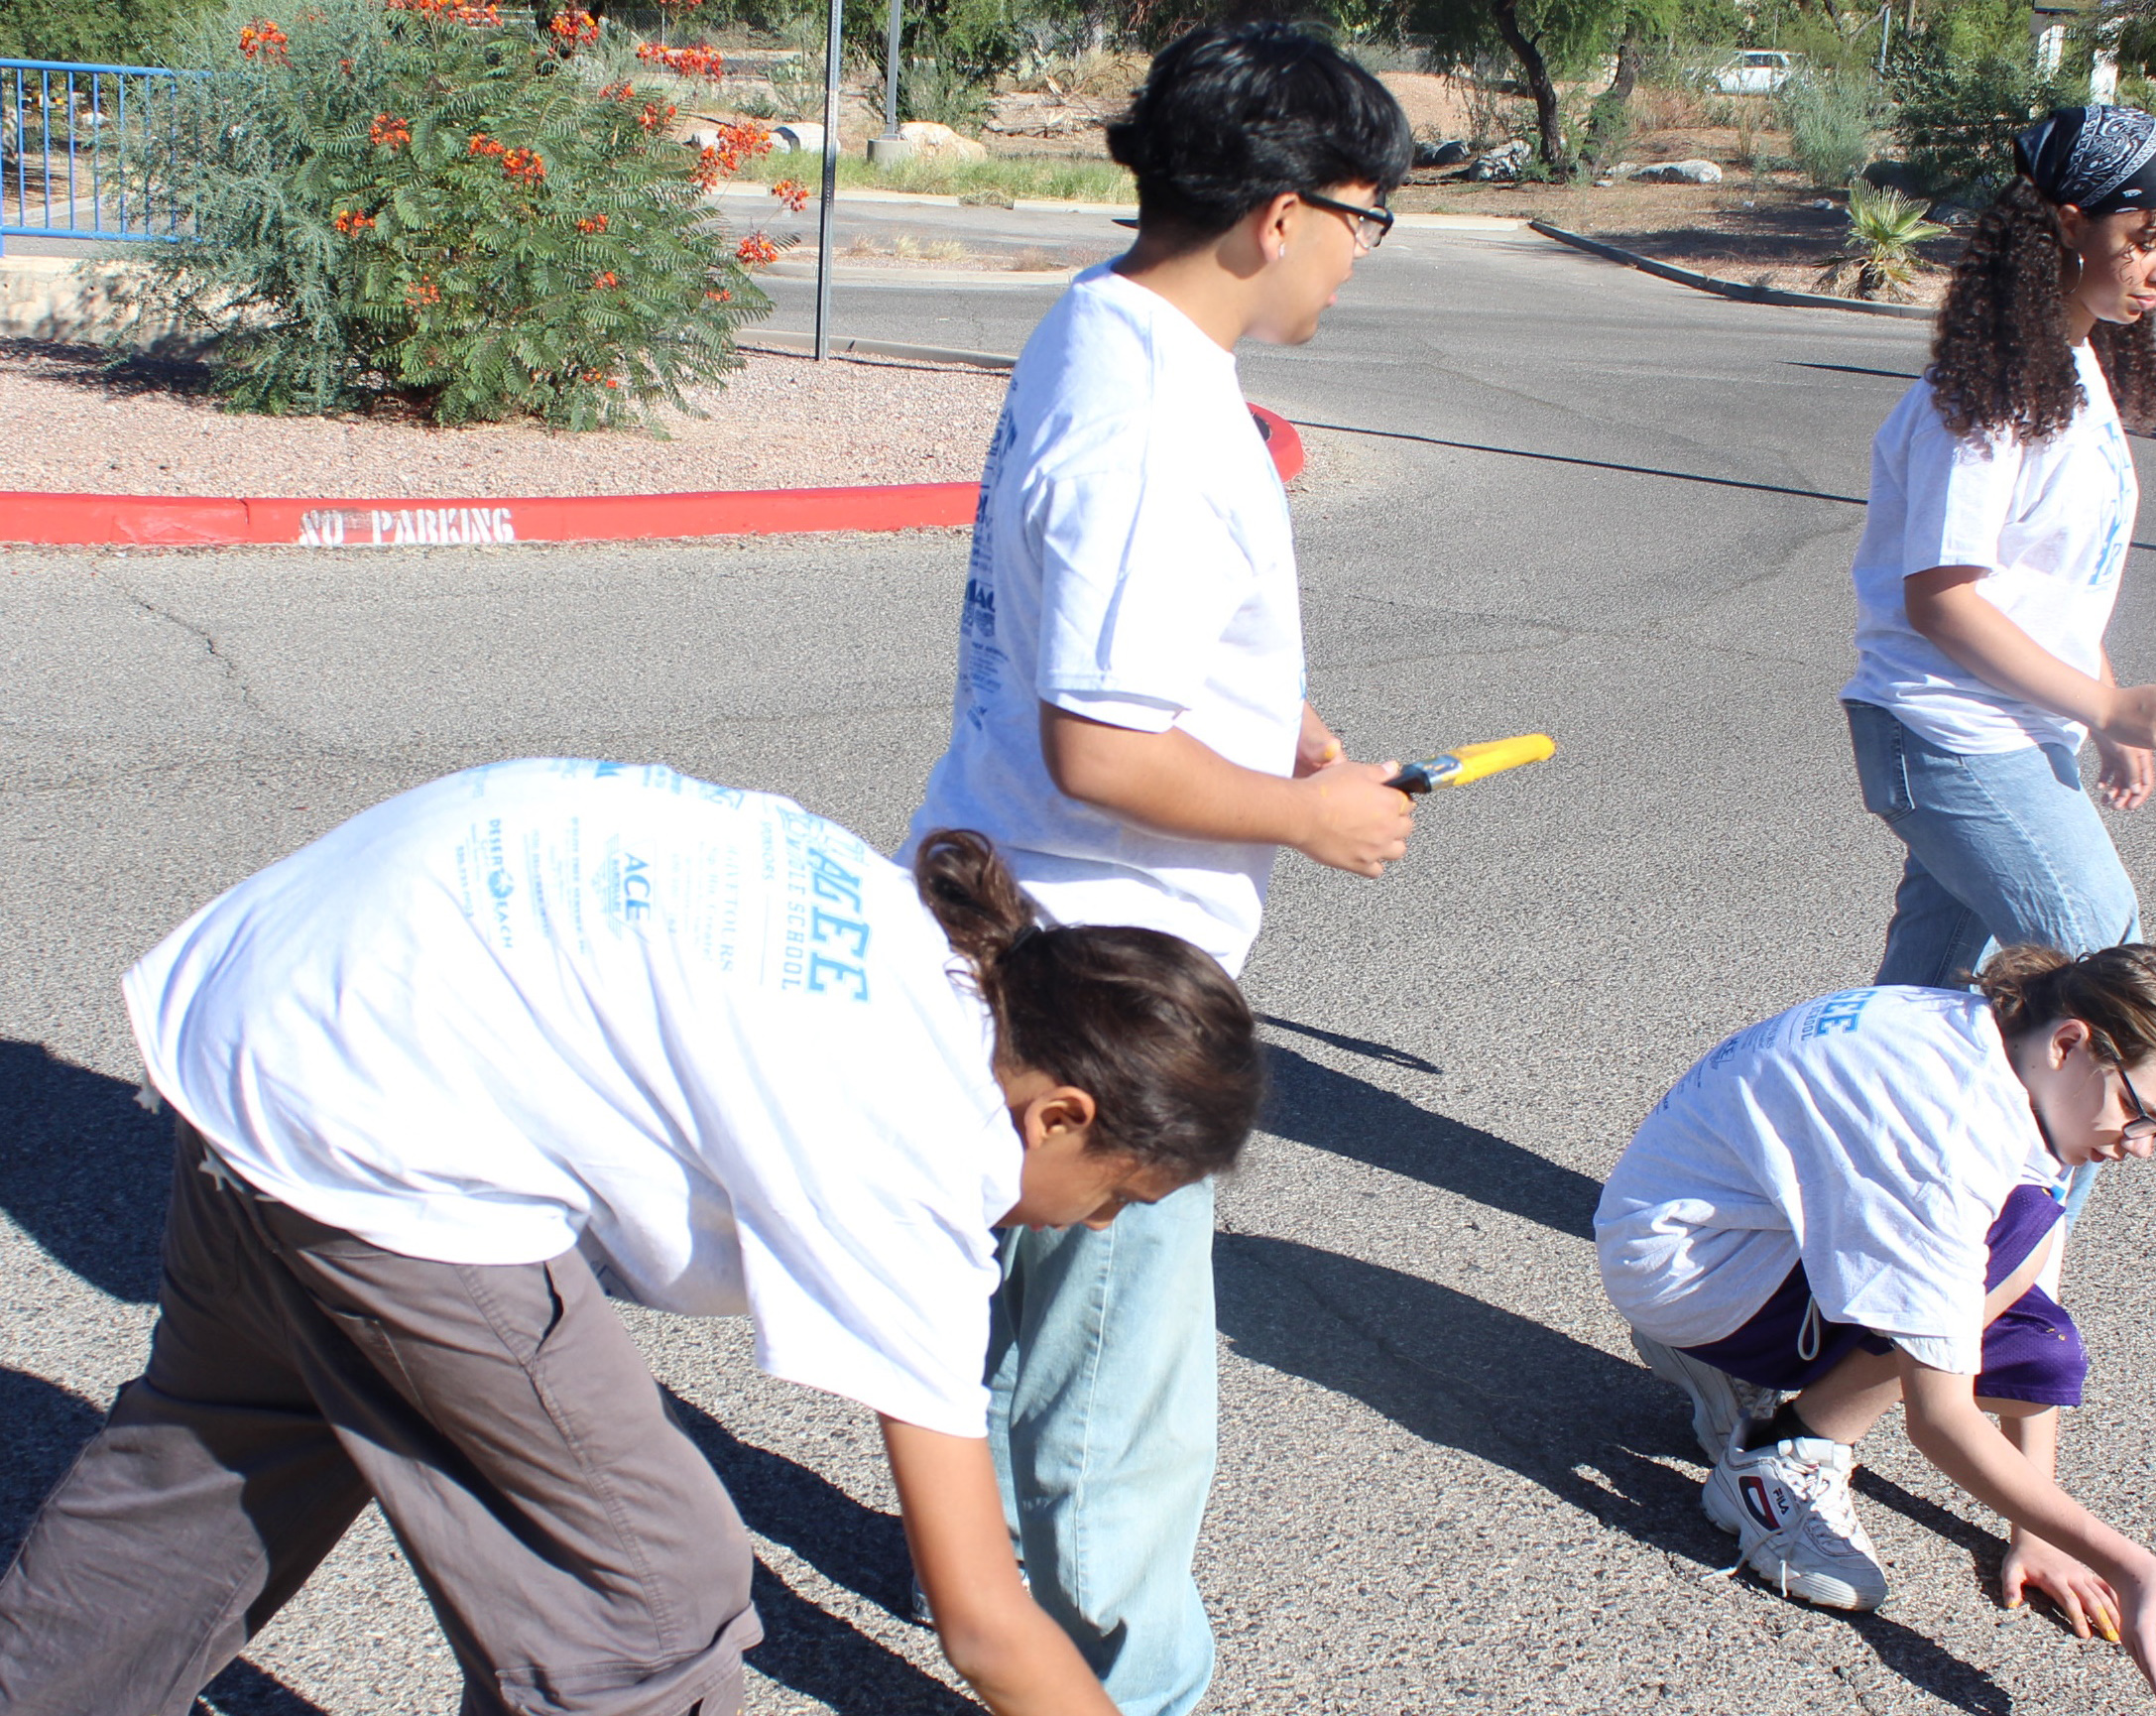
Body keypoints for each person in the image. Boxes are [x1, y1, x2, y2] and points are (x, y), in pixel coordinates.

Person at [0, 759, 1264, 1716]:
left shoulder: (943, 949)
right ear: (1061, 1112)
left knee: (222, 1454)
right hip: (381, 1117)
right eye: (1116, 1195)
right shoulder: (922, 1141)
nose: (1097, 1222)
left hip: (276, 1007)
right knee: (651, 1597)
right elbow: (984, 1618)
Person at [899, 24, 1414, 1715]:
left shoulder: (1106, 329)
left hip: (1039, 908)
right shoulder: (1151, 429)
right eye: (1366, 218)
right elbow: (1103, 752)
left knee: (1035, 1328)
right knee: (1117, 1388)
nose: (1363, 253)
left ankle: (1002, 1593)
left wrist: (1268, 716)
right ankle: (1128, 1685)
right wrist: (1308, 819)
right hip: (1105, 966)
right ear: (1278, 213)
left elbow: (1114, 658)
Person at [1598, 943, 2156, 1705]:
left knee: (2026, 1296)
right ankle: (1773, 1456)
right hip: (1687, 1271)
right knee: (1976, 1280)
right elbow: (1940, 1419)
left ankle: (1725, 1366)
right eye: (2140, 1114)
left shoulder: (2002, 1045)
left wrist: (2039, 1527)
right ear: (2071, 1043)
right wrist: (2130, 1564)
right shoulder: (1948, 1134)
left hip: (1715, 1230)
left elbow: (2026, 1302)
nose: (2141, 1148)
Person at [1841, 104, 2156, 1002]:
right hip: (1949, 731)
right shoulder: (1980, 397)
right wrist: (2103, 703)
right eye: (2145, 239)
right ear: (2067, 222)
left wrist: (2102, 709)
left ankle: (1843, 1134)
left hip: (2006, 725)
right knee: (2109, 986)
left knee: (1925, 998)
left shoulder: (2076, 364)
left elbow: (2049, 584)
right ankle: (2089, 1144)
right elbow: (1942, 600)